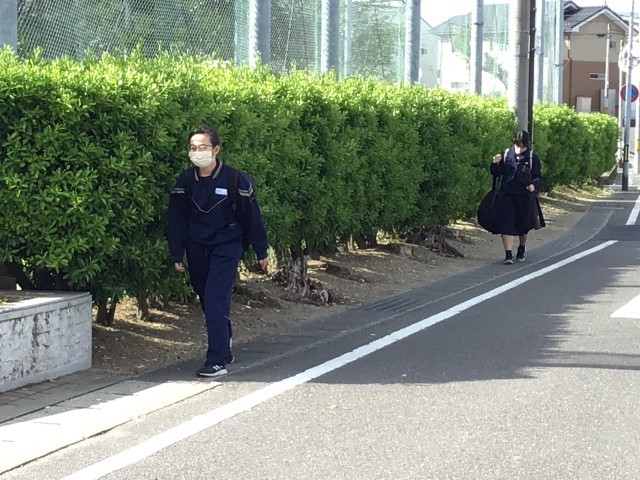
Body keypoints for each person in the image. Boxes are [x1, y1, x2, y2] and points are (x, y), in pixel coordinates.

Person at [167, 125, 269, 377]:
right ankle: (225, 341)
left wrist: (261, 250)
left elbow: (252, 217)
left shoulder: (235, 179)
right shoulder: (185, 181)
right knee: (205, 296)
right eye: (193, 147)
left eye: (203, 147)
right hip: (196, 246)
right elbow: (176, 218)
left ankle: (216, 360)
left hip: (227, 245)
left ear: (216, 150)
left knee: (215, 298)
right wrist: (176, 252)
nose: (197, 152)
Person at [490, 129, 545, 265]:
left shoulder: (532, 157)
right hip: (507, 194)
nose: (519, 146)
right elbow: (497, 173)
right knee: (506, 223)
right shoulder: (506, 154)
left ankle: (521, 247)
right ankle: (508, 253)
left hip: (524, 195)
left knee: (523, 224)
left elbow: (538, 177)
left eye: (521, 143)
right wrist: (495, 163)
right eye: (517, 142)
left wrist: (533, 185)